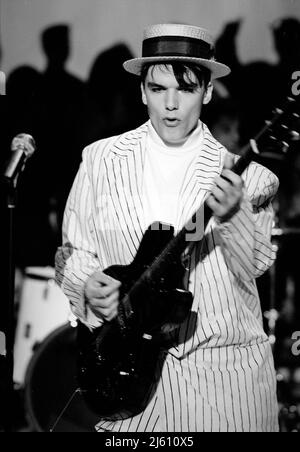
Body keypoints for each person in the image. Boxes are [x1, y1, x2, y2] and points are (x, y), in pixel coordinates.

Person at [55, 23, 279, 432]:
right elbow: (72, 251)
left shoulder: (252, 178)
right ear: (142, 92)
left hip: (224, 387)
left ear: (208, 92)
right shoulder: (100, 160)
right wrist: (87, 283)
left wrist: (232, 215)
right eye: (158, 90)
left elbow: (257, 265)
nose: (171, 105)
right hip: (128, 384)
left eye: (187, 89)